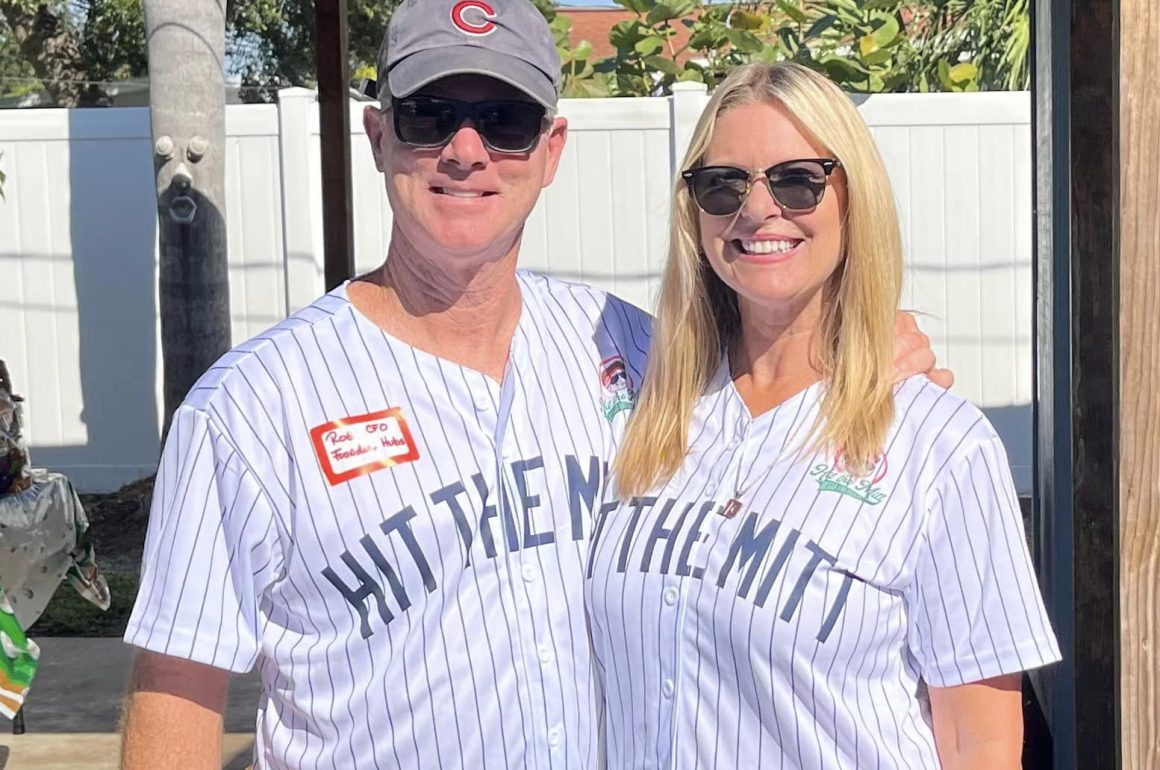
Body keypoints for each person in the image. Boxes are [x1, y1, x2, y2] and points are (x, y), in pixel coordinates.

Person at [118, 3, 949, 768]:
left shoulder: (636, 354)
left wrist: (874, 354)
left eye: (506, 121)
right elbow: (176, 693)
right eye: (429, 116)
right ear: (377, 136)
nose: (467, 150)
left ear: (550, 151)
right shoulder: (250, 409)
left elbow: (784, 366)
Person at [584, 60, 1060, 770]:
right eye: (723, 185)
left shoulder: (942, 447)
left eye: (796, 179)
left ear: (852, 197)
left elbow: (981, 743)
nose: (757, 210)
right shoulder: (645, 408)